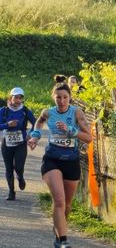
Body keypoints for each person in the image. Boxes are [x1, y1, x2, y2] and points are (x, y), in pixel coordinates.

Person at [27, 82, 92, 248]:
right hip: (52, 160)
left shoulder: (77, 113)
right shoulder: (47, 112)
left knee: (67, 205)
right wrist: (35, 136)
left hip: (71, 161)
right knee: (59, 201)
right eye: (58, 97)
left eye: (65, 97)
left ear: (70, 98)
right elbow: (39, 123)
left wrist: (71, 130)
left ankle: (58, 231)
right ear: (53, 97)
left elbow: (88, 138)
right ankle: (63, 241)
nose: (62, 101)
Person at [0, 87, 36, 200]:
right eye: (16, 97)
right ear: (10, 98)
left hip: (21, 143)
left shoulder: (25, 111)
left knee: (19, 167)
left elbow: (36, 123)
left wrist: (31, 133)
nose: (18, 100)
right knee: (9, 167)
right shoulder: (3, 110)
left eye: (20, 97)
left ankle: (20, 177)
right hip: (7, 143)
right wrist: (7, 125)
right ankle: (11, 192)